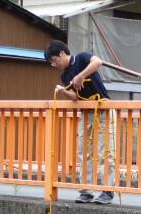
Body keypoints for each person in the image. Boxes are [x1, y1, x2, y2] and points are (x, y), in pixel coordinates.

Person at [45, 39, 115, 205]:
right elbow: (76, 97)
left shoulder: (82, 58)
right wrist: (64, 91)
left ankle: (108, 191)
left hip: (103, 108)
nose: (54, 65)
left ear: (62, 53)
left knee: (104, 152)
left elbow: (98, 62)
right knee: (83, 153)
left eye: (54, 60)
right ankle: (86, 191)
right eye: (51, 63)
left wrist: (81, 75)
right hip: (85, 112)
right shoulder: (64, 75)